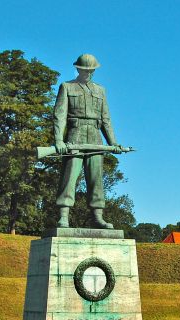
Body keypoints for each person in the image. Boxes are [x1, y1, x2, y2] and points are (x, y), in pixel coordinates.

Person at [53, 53, 123, 229]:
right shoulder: (67, 87)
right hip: (75, 135)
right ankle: (64, 216)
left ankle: (97, 217)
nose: (88, 73)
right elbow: (60, 116)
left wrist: (113, 143)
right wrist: (58, 140)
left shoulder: (100, 90)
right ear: (78, 69)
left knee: (96, 178)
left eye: (91, 70)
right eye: (85, 70)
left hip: (95, 136)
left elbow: (106, 119)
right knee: (69, 176)